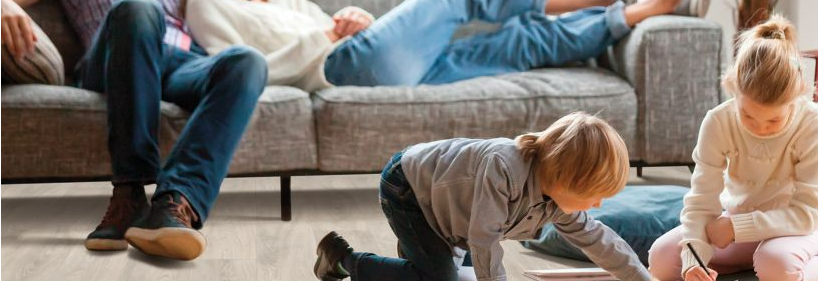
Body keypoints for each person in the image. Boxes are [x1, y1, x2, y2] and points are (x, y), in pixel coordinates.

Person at [313, 112, 701, 281]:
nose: (597, 206)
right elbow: (484, 236)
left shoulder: (558, 200)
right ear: (563, 176)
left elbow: (600, 240)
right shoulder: (504, 167)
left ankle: (421, 254)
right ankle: (345, 260)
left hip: (451, 208)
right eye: (592, 195)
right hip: (410, 189)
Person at [38, 0, 268, 260]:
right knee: (138, 7)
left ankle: (176, 201)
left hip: (179, 58)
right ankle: (129, 195)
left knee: (248, 62)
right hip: (114, 56)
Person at [647, 15, 818, 281]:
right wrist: (694, 261)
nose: (760, 129)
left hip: (801, 225)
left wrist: (735, 228)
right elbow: (701, 202)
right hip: (737, 219)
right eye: (748, 116)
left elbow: (807, 213)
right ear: (733, 88)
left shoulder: (816, 124)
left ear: (798, 96)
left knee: (778, 271)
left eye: (774, 121)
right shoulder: (718, 120)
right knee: (660, 262)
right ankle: (754, 258)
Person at [184, 0, 690, 91]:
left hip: (378, 61)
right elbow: (245, 70)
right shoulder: (205, 6)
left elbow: (328, 25)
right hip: (345, 66)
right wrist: (328, 35)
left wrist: (351, 19)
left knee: (516, 46)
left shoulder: (285, 2)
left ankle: (632, 13)